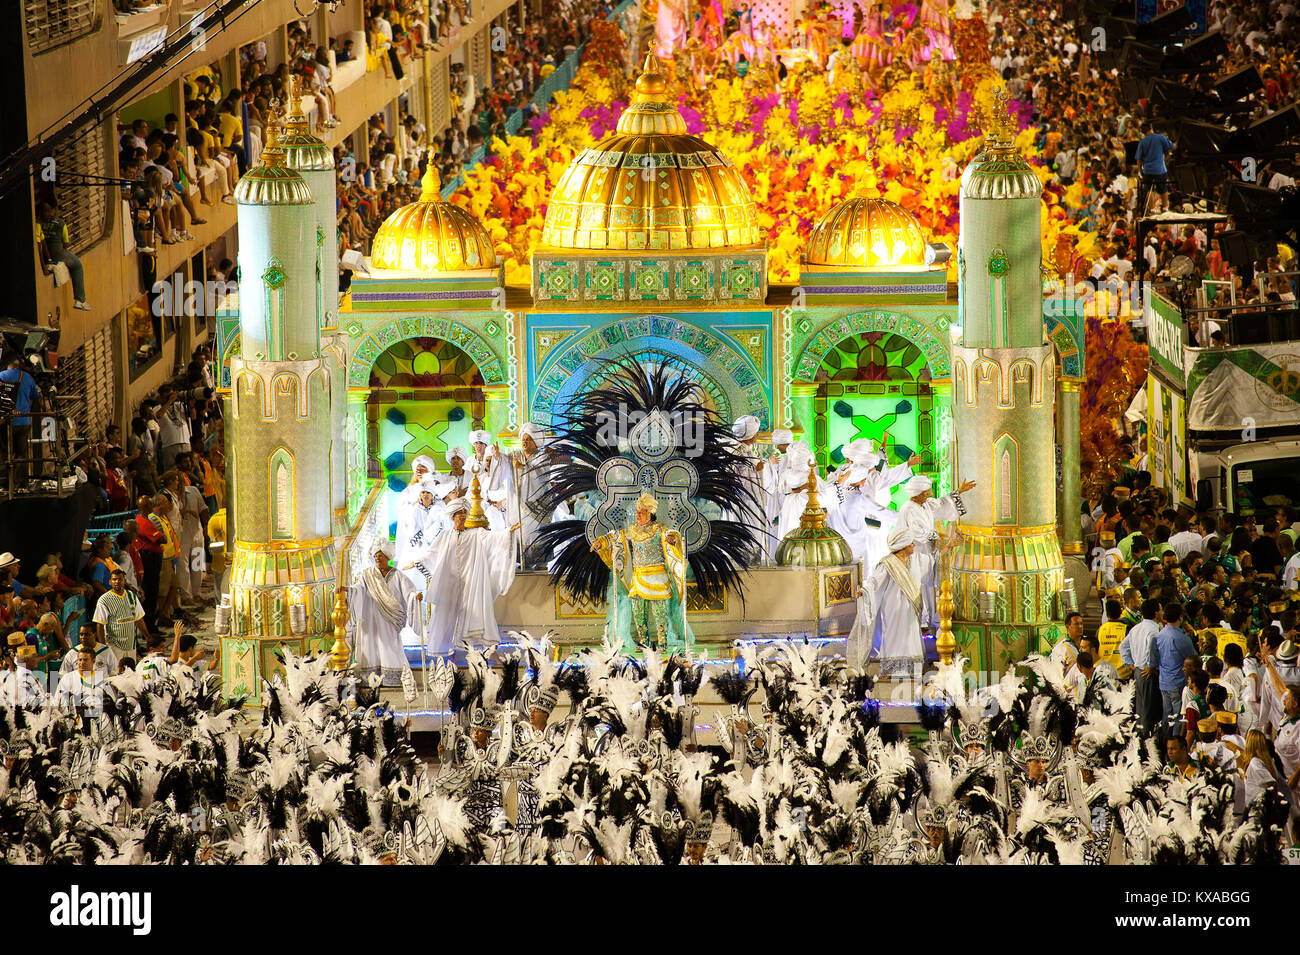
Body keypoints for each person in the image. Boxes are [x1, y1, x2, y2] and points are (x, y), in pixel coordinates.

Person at [589, 493, 687, 653]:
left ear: (650, 513)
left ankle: (662, 643)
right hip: (639, 578)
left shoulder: (660, 529)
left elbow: (673, 535)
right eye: (637, 512)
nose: (638, 515)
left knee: (660, 615)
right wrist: (602, 541)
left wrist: (673, 540)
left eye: (641, 512)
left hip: (658, 578)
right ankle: (644, 643)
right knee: (639, 614)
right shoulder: (633, 529)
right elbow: (616, 537)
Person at [895, 473, 976, 628]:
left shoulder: (923, 504)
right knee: (916, 585)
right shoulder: (909, 509)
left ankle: (931, 618)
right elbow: (917, 533)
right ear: (918, 494)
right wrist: (939, 536)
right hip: (914, 552)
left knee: (928, 585)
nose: (929, 495)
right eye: (926, 493)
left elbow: (940, 505)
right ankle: (918, 621)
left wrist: (958, 492)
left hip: (926, 551)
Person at [849, 525, 925, 679]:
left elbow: (933, 564)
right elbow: (874, 583)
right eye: (911, 543)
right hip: (893, 611)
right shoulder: (887, 564)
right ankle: (892, 672)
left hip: (911, 611)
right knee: (894, 638)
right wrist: (865, 592)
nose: (914, 545)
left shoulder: (915, 560)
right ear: (903, 546)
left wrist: (947, 548)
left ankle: (912, 672)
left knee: (912, 638)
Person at [349, 542, 419, 695]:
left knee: (390, 645)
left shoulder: (397, 575)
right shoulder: (367, 575)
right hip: (371, 619)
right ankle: (371, 677)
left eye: (380, 556)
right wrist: (349, 591)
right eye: (375, 556)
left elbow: (410, 592)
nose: (378, 559)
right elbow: (358, 590)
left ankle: (392, 677)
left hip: (389, 619)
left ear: (388, 557)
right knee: (372, 645)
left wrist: (415, 597)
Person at [1120, 598, 1163, 733]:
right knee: (1148, 710)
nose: (1162, 612)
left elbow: (1123, 647)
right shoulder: (1154, 631)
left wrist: (1130, 664)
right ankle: (1146, 740)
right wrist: (1151, 665)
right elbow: (1151, 646)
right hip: (1148, 673)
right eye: (1161, 610)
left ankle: (1141, 737)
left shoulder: (1136, 628)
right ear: (1156, 613)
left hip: (1138, 672)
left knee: (1141, 708)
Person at [1154, 602, 1198, 733]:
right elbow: (1193, 658)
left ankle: (1164, 744)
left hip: (1163, 681)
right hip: (1177, 681)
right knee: (1178, 715)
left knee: (1167, 715)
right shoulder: (1181, 638)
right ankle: (1173, 746)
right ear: (1180, 617)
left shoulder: (1160, 635)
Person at [1, 357, 42, 486]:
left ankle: (4, 483)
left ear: (8, 366)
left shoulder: (2, 375)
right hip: (24, 421)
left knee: (3, 453)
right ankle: (20, 484)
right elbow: (36, 395)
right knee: (22, 454)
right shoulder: (28, 377)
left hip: (6, 421)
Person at [92, 567, 148, 657]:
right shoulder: (104, 600)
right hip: (114, 645)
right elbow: (99, 625)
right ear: (110, 582)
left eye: (120, 579)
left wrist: (148, 637)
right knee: (116, 670)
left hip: (131, 644)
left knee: (130, 670)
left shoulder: (131, 596)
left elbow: (139, 619)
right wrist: (103, 648)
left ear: (124, 581)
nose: (117, 582)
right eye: (114, 579)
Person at [1134, 122, 1174, 215]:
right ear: (1151, 128)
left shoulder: (1142, 142)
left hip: (1147, 170)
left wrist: (1140, 172)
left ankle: (1152, 209)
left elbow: (1139, 160)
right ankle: (1165, 208)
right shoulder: (1160, 137)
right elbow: (1171, 146)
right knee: (1163, 189)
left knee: (1149, 190)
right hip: (1160, 169)